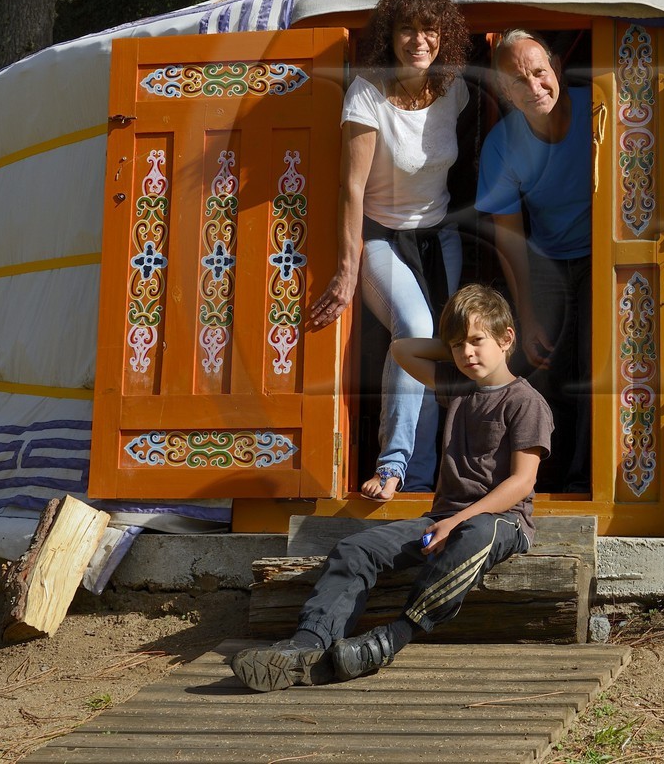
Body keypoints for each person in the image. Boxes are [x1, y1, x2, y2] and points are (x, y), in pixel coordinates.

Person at [230, 285, 552, 690]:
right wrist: (454, 341)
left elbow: (522, 481)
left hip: (500, 524)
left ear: (507, 339)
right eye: (456, 346)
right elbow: (403, 350)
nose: (467, 353)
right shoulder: (459, 387)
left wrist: (457, 522)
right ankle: (307, 645)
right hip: (443, 520)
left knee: (476, 532)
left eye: (477, 341)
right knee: (356, 548)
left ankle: (391, 638)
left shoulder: (527, 402)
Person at [309, 0, 470, 500]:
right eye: (407, 29)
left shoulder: (455, 89)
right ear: (389, 36)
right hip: (382, 234)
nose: (419, 40)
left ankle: (422, 479)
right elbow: (350, 188)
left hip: (439, 234)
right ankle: (394, 464)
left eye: (429, 29)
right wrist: (348, 267)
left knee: (443, 347)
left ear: (443, 36)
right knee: (416, 329)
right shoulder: (367, 93)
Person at [476, 30, 592, 492]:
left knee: (597, 361)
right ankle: (541, 480)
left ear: (556, 69)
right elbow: (509, 236)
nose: (534, 87)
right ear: (505, 91)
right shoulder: (501, 146)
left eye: (540, 72)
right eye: (518, 81)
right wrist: (524, 311)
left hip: (607, 252)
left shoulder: (602, 112)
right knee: (543, 363)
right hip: (547, 260)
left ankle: (588, 477)